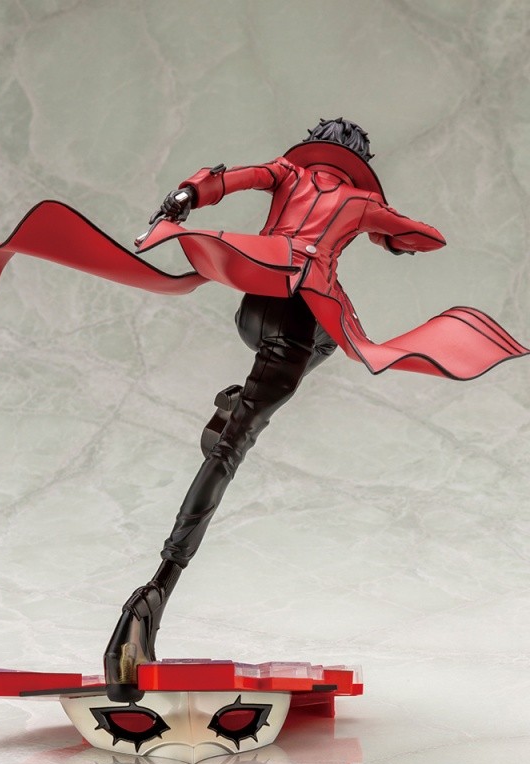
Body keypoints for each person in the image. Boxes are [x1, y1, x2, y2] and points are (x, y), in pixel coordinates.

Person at [103, 118, 448, 701]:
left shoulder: (287, 171)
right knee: (234, 447)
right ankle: (155, 590)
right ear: (359, 160)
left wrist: (185, 196)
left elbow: (224, 180)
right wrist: (393, 238)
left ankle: (241, 406)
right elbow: (426, 236)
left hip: (256, 303)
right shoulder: (361, 201)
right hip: (301, 312)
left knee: (330, 342)